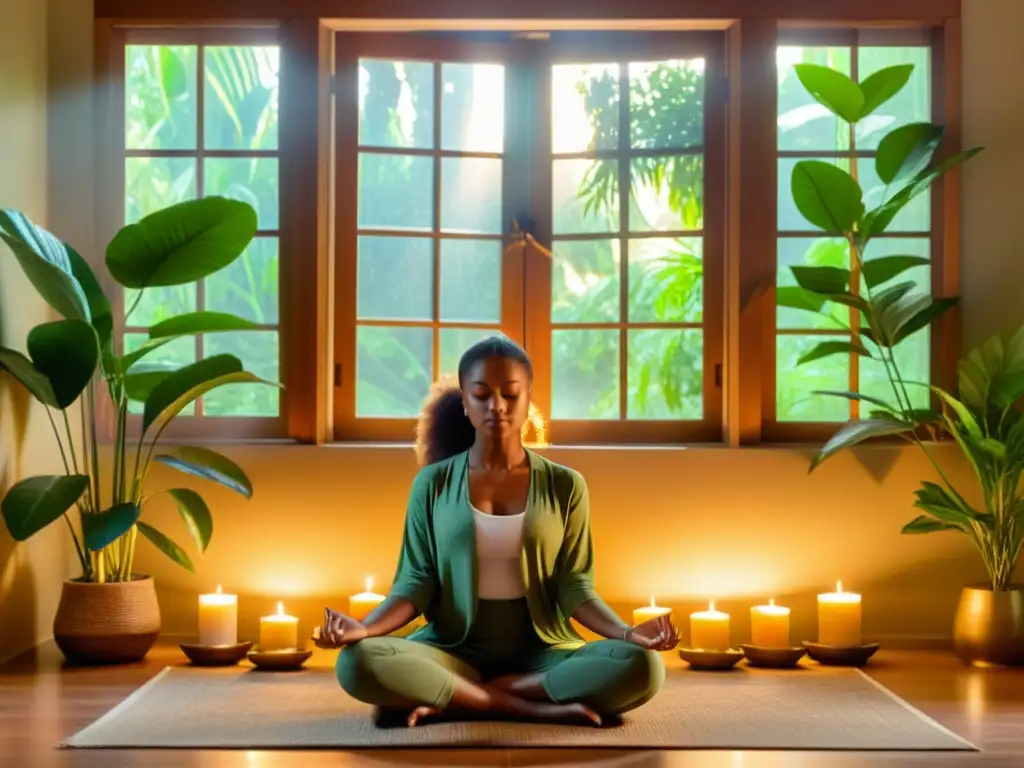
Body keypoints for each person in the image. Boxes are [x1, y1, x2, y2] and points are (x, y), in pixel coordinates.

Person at [315, 337, 679, 728]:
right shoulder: (432, 484)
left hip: (543, 652)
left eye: (510, 394)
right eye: (482, 394)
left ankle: (459, 697)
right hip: (451, 648)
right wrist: (364, 628)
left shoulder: (566, 485)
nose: (497, 406)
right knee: (358, 661)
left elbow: (575, 586)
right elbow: (415, 582)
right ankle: (527, 705)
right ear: (466, 405)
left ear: (528, 401)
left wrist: (627, 634)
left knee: (643, 666)